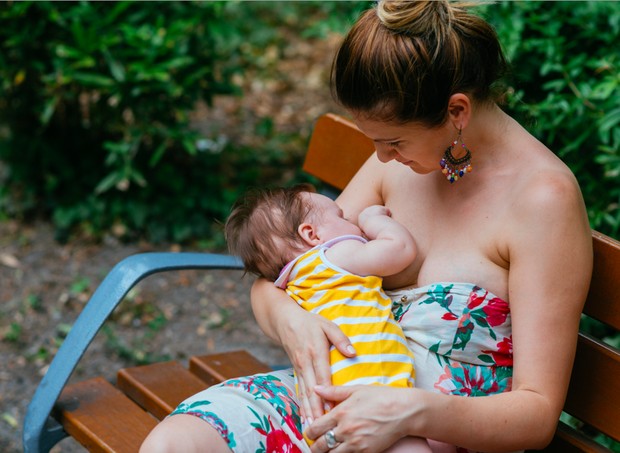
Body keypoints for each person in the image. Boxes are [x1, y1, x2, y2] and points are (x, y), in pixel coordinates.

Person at [140, 1, 593, 452]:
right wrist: (290, 321)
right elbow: (282, 276)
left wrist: (408, 411)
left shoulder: (542, 202)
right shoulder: (401, 165)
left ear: (457, 111)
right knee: (174, 444)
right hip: (334, 402)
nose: (380, 158)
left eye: (392, 142)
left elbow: (536, 414)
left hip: (433, 436)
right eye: (374, 141)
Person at [223, 184, 432, 452]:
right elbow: (400, 249)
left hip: (326, 408)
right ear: (312, 234)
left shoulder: (294, 283)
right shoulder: (334, 256)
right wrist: (374, 221)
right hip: (373, 390)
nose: (352, 222)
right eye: (342, 217)